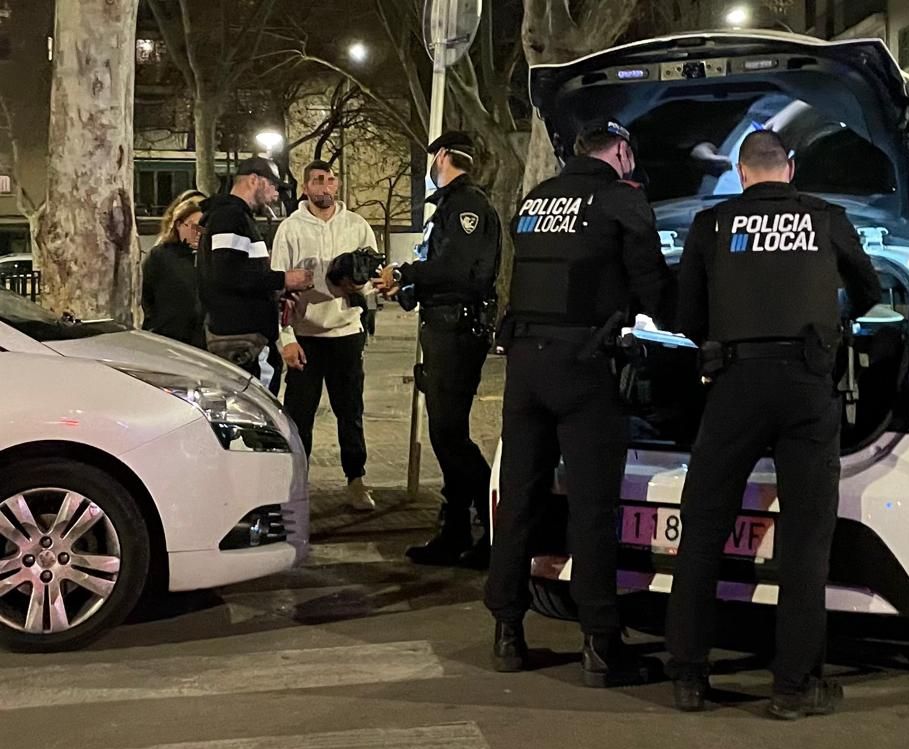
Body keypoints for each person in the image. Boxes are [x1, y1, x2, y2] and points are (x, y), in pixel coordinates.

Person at [665, 130, 881, 719]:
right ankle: (794, 687)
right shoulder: (826, 218)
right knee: (807, 541)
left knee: (703, 529)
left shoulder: (711, 225)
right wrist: (827, 318)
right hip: (807, 385)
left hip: (734, 384)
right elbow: (871, 289)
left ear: (740, 171)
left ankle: (687, 677)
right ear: (789, 168)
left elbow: (685, 315)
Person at [483, 118, 673, 687]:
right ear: (619, 150)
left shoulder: (538, 199)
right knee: (593, 507)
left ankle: (508, 632)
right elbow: (654, 289)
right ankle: (600, 642)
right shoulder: (620, 200)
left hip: (526, 366)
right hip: (585, 366)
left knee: (519, 498)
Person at [374, 130, 500, 569]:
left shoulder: (465, 204)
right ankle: (457, 530)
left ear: (443, 156)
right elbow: (442, 272)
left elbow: (456, 268)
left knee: (450, 435)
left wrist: (404, 271)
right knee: (447, 435)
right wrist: (406, 287)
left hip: (457, 331)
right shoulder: (451, 205)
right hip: (444, 326)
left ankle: (491, 528)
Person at [272, 160, 378, 511]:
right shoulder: (290, 229)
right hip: (305, 335)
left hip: (347, 332)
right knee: (299, 415)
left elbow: (374, 278)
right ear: (305, 188)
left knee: (351, 411)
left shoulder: (357, 226)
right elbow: (278, 290)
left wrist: (360, 291)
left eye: (331, 179)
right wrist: (285, 337)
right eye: (318, 180)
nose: (326, 186)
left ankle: (356, 479)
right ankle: (297, 483)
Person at [197, 157, 311, 393]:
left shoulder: (233, 217)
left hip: (243, 339)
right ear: (254, 180)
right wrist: (283, 280)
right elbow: (227, 274)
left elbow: (238, 274)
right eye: (273, 185)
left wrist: (276, 292)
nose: (276, 193)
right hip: (243, 341)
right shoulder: (231, 217)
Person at [141, 198, 205, 347]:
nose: (198, 232)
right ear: (178, 225)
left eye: (203, 228)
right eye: (193, 226)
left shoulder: (210, 257)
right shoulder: (160, 255)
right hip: (168, 336)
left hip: (201, 339)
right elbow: (145, 293)